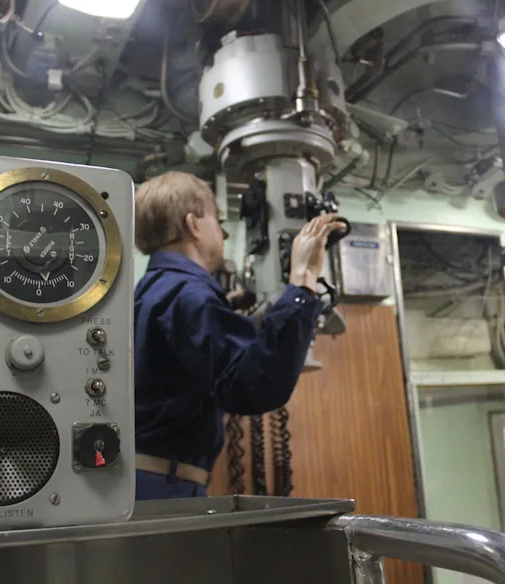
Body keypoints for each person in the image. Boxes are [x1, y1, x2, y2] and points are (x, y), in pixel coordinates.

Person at [132, 171, 345, 499]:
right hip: (165, 489)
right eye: (217, 221)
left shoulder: (153, 290)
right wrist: (303, 279)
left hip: (142, 481)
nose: (223, 234)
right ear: (194, 224)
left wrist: (225, 313)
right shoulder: (188, 295)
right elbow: (252, 387)